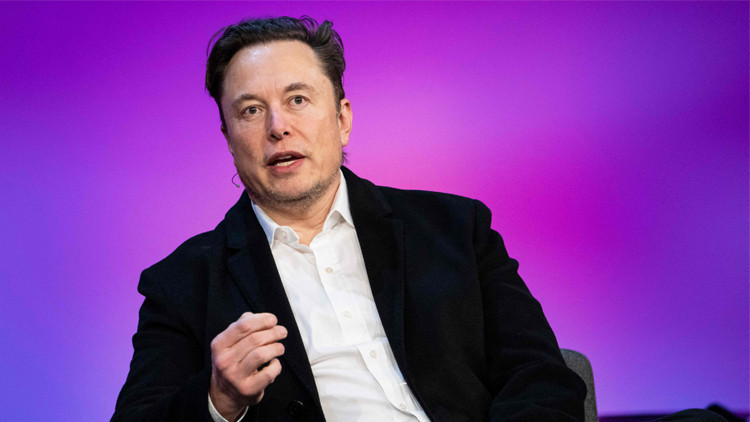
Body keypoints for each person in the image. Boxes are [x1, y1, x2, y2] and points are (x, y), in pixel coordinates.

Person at [112, 16, 588, 422]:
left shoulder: (456, 228)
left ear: (342, 119)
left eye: (298, 100)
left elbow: (540, 376)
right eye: (251, 110)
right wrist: (218, 399)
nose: (278, 126)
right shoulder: (183, 283)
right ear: (228, 138)